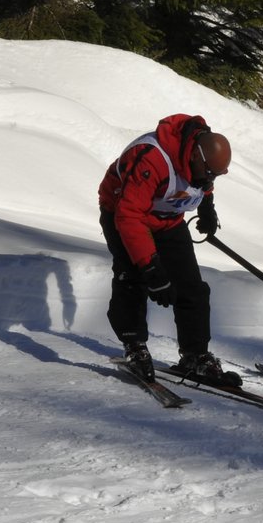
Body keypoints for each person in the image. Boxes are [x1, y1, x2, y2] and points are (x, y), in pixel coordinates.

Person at [99, 113, 237, 385]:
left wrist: (207, 206)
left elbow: (201, 181)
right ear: (197, 156)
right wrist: (151, 266)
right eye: (209, 173)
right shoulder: (151, 158)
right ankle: (134, 347)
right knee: (132, 279)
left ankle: (195, 354)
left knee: (192, 287)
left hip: (166, 220)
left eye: (216, 176)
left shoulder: (198, 158)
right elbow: (129, 216)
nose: (211, 180)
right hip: (122, 215)